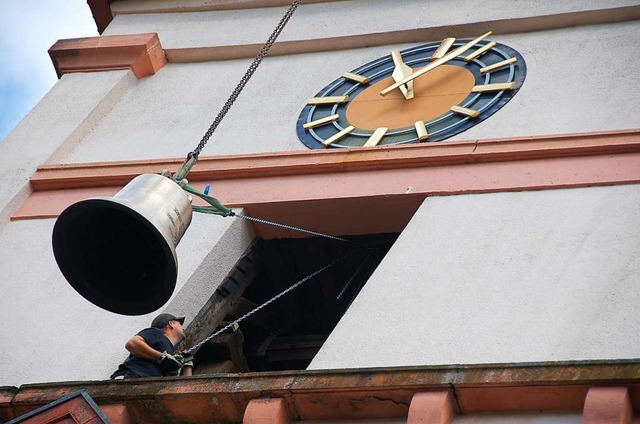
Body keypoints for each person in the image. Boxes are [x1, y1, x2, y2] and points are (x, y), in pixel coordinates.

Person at [110, 313, 194, 379]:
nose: (183, 328)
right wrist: (161, 357)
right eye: (180, 324)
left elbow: (183, 386)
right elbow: (132, 344)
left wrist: (187, 365)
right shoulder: (156, 333)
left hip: (151, 388)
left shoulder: (170, 354)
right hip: (135, 379)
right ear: (171, 323)